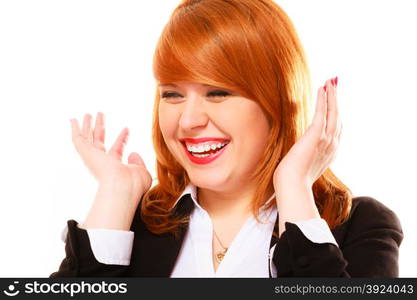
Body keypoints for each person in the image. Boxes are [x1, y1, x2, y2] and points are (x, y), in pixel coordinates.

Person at [50, 0, 403, 277]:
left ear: (277, 102)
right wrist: (114, 194)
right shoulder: (129, 224)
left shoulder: (361, 226)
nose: (188, 120)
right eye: (172, 94)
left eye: (218, 92)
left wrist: (294, 186)